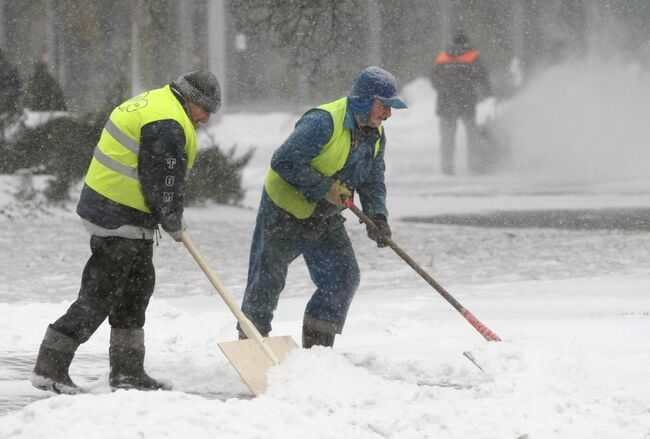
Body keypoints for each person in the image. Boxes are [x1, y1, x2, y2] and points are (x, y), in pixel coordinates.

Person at [31, 70, 221, 394]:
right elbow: (163, 181)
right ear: (193, 101)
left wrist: (166, 217)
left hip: (123, 212)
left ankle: (128, 372)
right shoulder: (168, 122)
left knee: (136, 290)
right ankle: (50, 366)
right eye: (206, 111)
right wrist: (173, 219)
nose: (206, 120)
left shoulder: (159, 103)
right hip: (117, 214)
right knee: (100, 295)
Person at [239, 66, 407, 348]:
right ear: (365, 100)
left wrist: (377, 215)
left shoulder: (375, 135)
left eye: (391, 108)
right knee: (266, 283)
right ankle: (251, 346)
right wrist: (325, 188)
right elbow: (282, 161)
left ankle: (318, 350)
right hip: (284, 212)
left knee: (343, 278)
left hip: (323, 217)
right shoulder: (323, 122)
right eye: (384, 106)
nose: (388, 114)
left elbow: (373, 180)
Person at [431, 30, 492, 175]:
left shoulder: (443, 56)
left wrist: (445, 89)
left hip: (445, 102)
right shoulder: (473, 56)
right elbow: (482, 77)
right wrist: (488, 92)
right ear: (467, 42)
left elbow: (434, 79)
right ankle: (474, 166)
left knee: (447, 138)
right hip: (467, 101)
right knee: (472, 136)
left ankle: (447, 168)